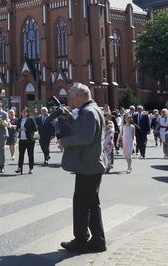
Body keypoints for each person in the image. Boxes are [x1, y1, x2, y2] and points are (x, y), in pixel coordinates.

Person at [58, 83, 107, 254]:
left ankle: (80, 241)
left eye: (72, 97)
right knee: (92, 204)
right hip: (93, 164)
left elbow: (86, 137)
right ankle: (98, 241)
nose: (70, 100)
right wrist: (71, 120)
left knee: (80, 204)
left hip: (88, 165)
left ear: (81, 96)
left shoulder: (87, 111)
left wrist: (65, 141)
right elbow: (87, 131)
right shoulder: (94, 109)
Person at [15, 107, 37, 175]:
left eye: (25, 112)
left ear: (27, 113)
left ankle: (31, 168)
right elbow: (17, 128)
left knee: (30, 154)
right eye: (22, 112)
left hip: (29, 139)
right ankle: (19, 167)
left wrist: (26, 129)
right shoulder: (19, 119)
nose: (23, 113)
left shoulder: (30, 119)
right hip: (22, 139)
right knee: (21, 155)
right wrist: (18, 129)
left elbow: (35, 129)